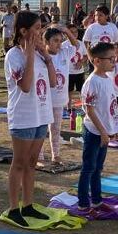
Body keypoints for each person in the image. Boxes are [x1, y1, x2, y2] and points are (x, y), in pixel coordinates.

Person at [4, 11, 56, 228]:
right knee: (19, 163)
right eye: (36, 28)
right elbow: (25, 86)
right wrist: (30, 57)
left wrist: (47, 57)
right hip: (24, 116)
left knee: (32, 163)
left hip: (41, 114)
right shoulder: (14, 55)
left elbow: (53, 83)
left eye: (40, 28)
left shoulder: (39, 54)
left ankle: (28, 204)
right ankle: (14, 208)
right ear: (23, 31)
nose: (40, 32)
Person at [76, 41, 118, 212]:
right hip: (94, 131)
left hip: (104, 132)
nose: (113, 62)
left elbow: (111, 106)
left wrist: (114, 129)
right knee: (88, 167)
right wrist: (102, 131)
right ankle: (83, 203)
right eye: (110, 59)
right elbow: (90, 110)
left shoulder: (107, 79)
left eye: (114, 58)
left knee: (98, 168)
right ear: (97, 61)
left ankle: (96, 200)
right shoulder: (92, 82)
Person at [45, 26, 74, 164]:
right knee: (40, 130)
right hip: (44, 100)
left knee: (56, 129)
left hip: (59, 100)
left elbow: (76, 44)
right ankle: (38, 155)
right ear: (47, 41)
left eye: (60, 40)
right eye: (55, 40)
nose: (58, 43)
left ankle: (55, 154)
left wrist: (67, 31)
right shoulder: (41, 56)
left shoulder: (64, 53)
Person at [66, 23, 87, 107]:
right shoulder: (64, 45)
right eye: (71, 32)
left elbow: (86, 56)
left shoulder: (81, 43)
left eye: (75, 32)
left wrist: (81, 62)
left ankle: (83, 107)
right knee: (69, 91)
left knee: (81, 90)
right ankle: (69, 107)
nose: (74, 34)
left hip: (79, 72)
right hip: (69, 72)